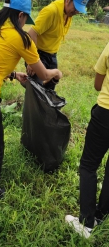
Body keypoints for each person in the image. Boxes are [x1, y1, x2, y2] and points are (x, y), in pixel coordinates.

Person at [0, 0, 62, 199]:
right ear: (20, 15)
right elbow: (44, 75)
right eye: (26, 18)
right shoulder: (22, 38)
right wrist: (56, 72)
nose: (25, 23)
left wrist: (14, 74)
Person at [65, 42, 109, 238]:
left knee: (88, 166)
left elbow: (98, 84)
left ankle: (86, 223)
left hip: (105, 113)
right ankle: (102, 215)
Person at [26, 0, 90, 90]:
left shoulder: (68, 14)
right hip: (39, 54)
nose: (77, 12)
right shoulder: (51, 11)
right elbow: (31, 33)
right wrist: (33, 61)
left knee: (49, 91)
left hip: (52, 56)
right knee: (36, 91)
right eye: (76, 7)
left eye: (79, 9)